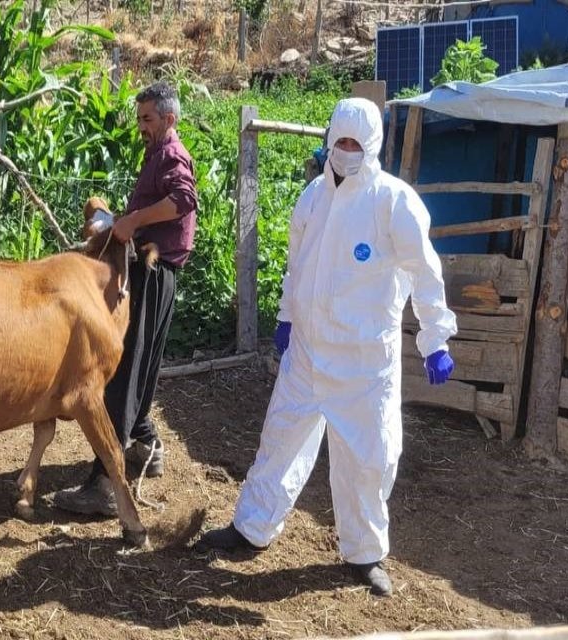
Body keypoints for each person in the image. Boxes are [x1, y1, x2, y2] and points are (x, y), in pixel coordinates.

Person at [193, 98, 458, 598]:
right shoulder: (313, 196)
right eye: (341, 142)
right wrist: (288, 319)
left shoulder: (393, 202)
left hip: (363, 365)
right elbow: (299, 265)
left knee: (369, 460)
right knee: (279, 442)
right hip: (308, 357)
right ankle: (252, 528)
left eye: (357, 144)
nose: (348, 151)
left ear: (374, 145)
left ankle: (365, 554)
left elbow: (425, 273)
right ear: (329, 141)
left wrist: (435, 338)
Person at [53, 82, 198, 516]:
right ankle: (146, 446)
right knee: (143, 363)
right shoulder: (158, 152)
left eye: (147, 119)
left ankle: (102, 482)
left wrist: (132, 220)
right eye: (139, 119)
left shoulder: (171, 154)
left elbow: (183, 199)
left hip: (153, 274)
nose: (141, 127)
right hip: (158, 272)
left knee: (126, 370)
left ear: (168, 119)